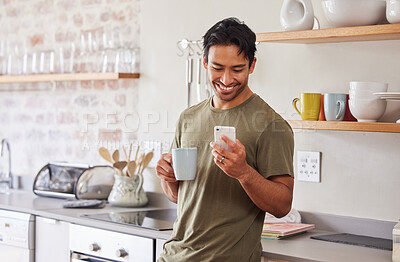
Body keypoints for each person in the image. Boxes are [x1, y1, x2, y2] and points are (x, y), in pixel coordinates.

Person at [156, 17, 294, 262]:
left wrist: (244, 173)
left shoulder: (271, 125)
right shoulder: (188, 118)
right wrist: (167, 177)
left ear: (252, 65)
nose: (227, 79)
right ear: (204, 63)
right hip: (174, 256)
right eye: (217, 68)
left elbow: (282, 206)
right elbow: (182, 196)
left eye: (237, 69)